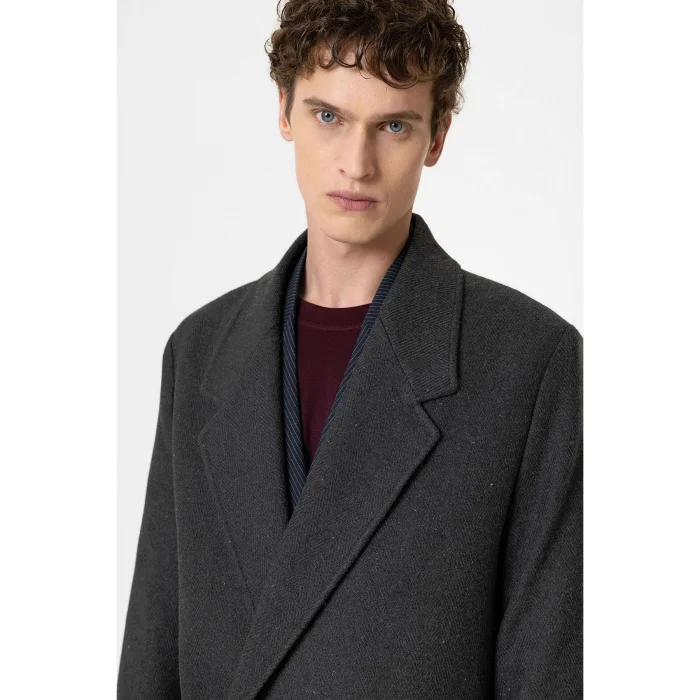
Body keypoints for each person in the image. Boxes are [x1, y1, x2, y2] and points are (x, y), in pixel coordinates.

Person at [117, 1, 583, 698]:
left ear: (437, 136)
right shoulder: (201, 352)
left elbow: (548, 669)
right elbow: (155, 654)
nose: (356, 164)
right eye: (328, 116)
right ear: (284, 112)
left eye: (393, 125)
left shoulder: (529, 364)